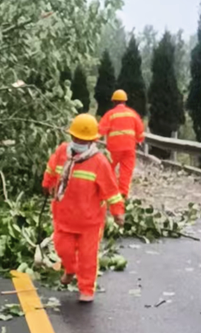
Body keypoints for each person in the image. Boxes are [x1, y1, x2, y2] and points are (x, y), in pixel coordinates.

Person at [42, 113, 125, 303]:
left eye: (83, 139)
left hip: (90, 221)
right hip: (64, 216)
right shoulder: (62, 152)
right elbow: (51, 169)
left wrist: (117, 212)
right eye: (77, 138)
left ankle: (86, 288)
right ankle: (70, 270)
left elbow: (111, 190)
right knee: (63, 249)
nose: (79, 141)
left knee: (88, 258)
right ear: (71, 137)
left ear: (92, 141)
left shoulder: (99, 162)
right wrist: (47, 184)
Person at [98, 89, 145, 198]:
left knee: (109, 170)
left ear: (114, 102)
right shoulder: (133, 114)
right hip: (129, 148)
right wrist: (139, 141)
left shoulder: (110, 114)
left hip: (114, 148)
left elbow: (100, 130)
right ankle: (123, 194)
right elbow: (140, 132)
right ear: (125, 101)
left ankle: (113, 193)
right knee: (126, 172)